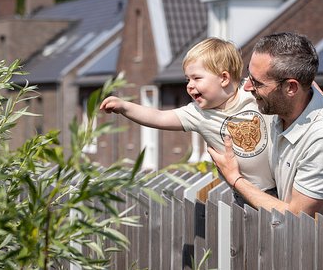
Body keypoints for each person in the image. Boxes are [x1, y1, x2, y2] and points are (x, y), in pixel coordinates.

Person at [208, 32, 323, 222]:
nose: (247, 87)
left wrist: (234, 178)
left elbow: (297, 215)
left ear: (291, 88)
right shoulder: (281, 108)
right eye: (249, 76)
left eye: (257, 82)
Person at [100, 37, 276, 204]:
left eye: (197, 78)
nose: (189, 85)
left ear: (224, 78)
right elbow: (159, 117)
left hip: (283, 183)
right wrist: (124, 107)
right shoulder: (198, 114)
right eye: (187, 79)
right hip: (247, 193)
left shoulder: (251, 93)